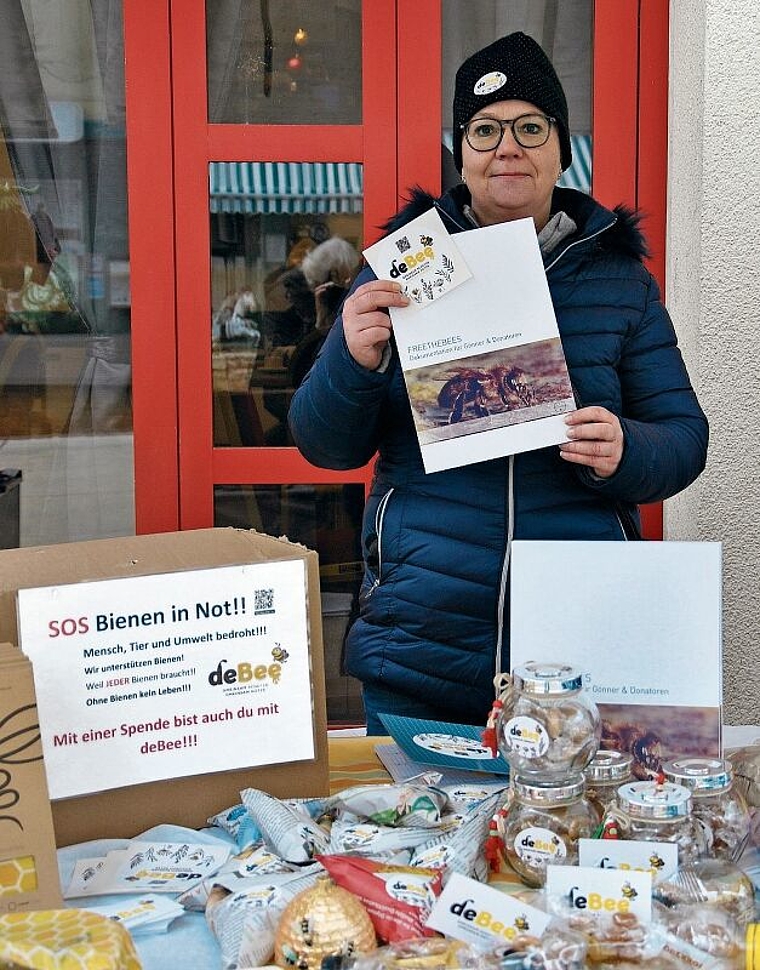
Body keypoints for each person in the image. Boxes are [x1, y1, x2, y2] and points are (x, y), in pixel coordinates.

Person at [287, 32, 709, 735]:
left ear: (560, 148)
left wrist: (625, 450)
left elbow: (684, 439)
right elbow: (322, 445)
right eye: (484, 130)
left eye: (528, 127)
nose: (505, 146)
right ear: (460, 150)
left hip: (580, 651)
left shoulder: (618, 281)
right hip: (421, 645)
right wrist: (350, 360)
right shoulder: (401, 271)